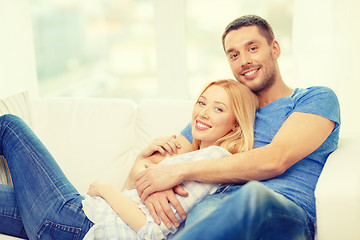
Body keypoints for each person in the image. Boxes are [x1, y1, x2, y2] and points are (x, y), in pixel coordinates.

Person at [134, 15, 341, 240]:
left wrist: (178, 171)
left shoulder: (315, 98)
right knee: (207, 208)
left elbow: (275, 159)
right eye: (234, 55)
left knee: (252, 196)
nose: (244, 61)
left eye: (252, 48)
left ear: (275, 49)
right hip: (215, 208)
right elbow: (152, 165)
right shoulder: (226, 112)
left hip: (280, 211)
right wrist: (153, 189)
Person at [0, 79, 258, 239]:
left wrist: (104, 189)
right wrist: (139, 163)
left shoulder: (216, 159)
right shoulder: (194, 157)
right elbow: (133, 209)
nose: (203, 113)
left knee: (9, 126)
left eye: (218, 108)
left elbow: (153, 231)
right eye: (202, 102)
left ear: (236, 125)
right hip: (80, 224)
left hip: (76, 221)